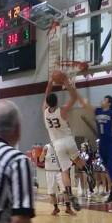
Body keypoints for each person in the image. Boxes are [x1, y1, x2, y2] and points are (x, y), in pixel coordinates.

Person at [77, 94, 112, 202]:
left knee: (111, 166)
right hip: (101, 142)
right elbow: (86, 105)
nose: (102, 100)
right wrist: (77, 95)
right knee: (106, 166)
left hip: (111, 142)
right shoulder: (97, 110)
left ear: (109, 103)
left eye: (104, 99)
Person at [42, 71, 85, 212]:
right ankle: (87, 172)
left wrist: (50, 82)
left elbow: (46, 95)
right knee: (78, 160)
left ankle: (70, 194)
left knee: (65, 171)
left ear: (48, 102)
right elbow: (73, 97)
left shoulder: (45, 112)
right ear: (57, 102)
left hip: (57, 144)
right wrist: (66, 82)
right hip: (69, 140)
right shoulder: (63, 110)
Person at [39, 143, 73, 216]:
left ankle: (68, 208)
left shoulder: (61, 146)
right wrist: (44, 153)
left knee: (65, 190)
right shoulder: (46, 147)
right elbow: (40, 159)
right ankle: (56, 208)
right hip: (49, 171)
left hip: (59, 171)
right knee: (52, 192)